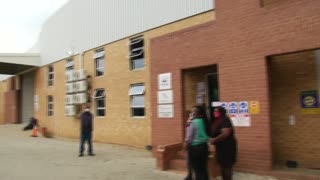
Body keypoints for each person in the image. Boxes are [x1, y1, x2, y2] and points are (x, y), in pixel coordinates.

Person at [210, 106, 237, 180]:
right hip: (220, 147)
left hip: (227, 147)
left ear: (221, 112)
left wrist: (214, 140)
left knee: (227, 167)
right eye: (214, 111)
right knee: (222, 166)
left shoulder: (225, 119)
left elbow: (225, 133)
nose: (215, 112)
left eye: (217, 111)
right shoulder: (217, 121)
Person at [184, 105, 209, 180]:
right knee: (203, 169)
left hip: (195, 149)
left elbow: (189, 137)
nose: (192, 113)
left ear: (197, 113)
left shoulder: (193, 122)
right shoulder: (205, 121)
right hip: (204, 147)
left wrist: (186, 146)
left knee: (197, 170)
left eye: (193, 111)